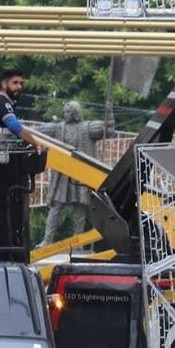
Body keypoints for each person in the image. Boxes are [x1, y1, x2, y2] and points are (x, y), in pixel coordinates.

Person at [39, 100, 111, 246]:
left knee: (79, 209)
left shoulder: (87, 128)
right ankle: (47, 240)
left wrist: (109, 113)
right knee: (56, 206)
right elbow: (38, 131)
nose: (64, 114)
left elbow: (108, 131)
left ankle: (76, 242)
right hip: (62, 175)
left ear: (74, 113)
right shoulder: (58, 128)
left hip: (80, 175)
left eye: (67, 111)